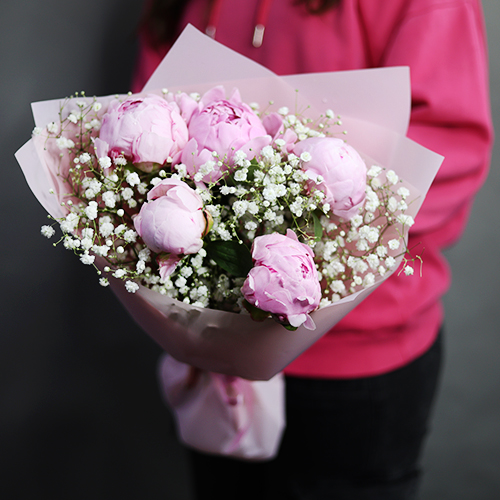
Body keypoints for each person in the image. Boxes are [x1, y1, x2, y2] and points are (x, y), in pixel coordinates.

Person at [133, 1, 493, 498]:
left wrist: (299, 250)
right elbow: (146, 118)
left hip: (357, 364)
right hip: (211, 347)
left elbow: (452, 149)